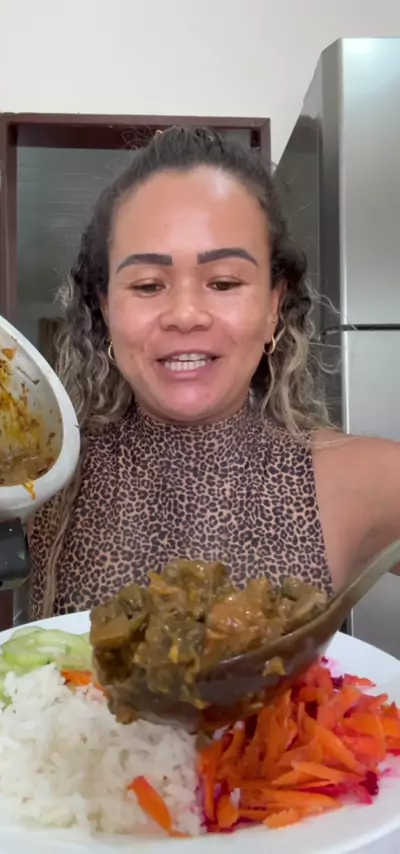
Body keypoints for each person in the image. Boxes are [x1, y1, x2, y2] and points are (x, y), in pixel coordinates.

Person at [27, 126, 400, 620]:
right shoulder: (37, 480)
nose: (185, 315)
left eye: (223, 283)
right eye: (148, 285)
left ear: (273, 306)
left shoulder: (365, 478)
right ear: (106, 308)